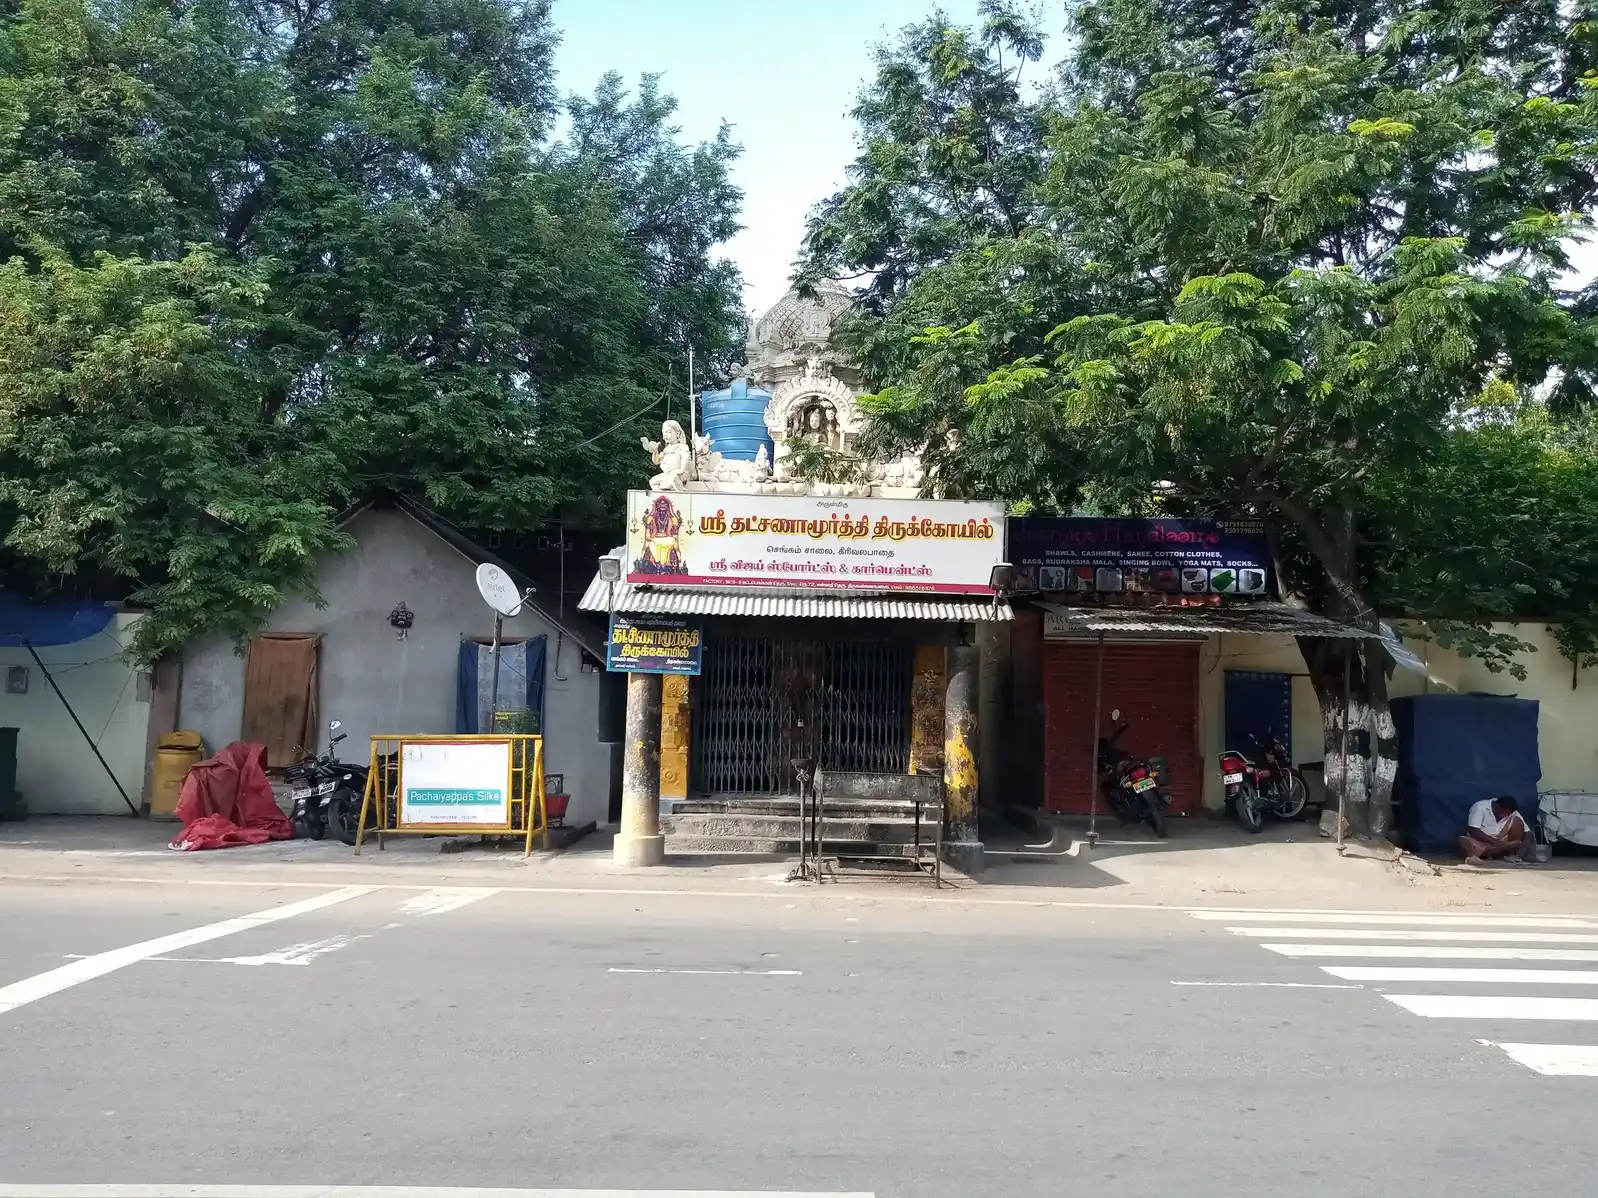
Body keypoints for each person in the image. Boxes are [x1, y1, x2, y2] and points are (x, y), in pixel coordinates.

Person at [1459, 795, 1531, 863]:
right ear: (1496, 806)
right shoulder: (1480, 807)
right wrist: (1495, 842)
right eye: (1502, 812)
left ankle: (1510, 856)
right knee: (1463, 842)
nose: (1504, 816)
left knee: (1517, 821)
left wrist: (1523, 850)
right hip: (1482, 842)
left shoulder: (1513, 812)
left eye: (1507, 814)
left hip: (1502, 844)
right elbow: (1473, 830)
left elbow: (1528, 833)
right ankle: (1476, 856)